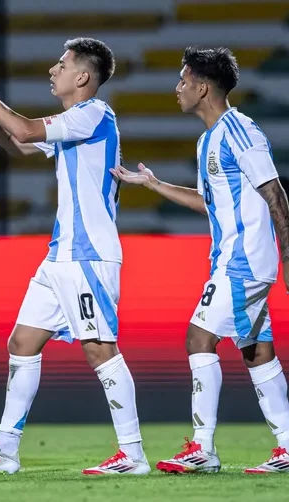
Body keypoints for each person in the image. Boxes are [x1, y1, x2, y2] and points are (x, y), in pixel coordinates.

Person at [0, 39, 149, 475]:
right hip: (61, 255)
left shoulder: (93, 114)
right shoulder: (74, 122)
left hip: (87, 256)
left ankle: (133, 455)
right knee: (22, 343)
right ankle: (5, 450)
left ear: (83, 77)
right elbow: (13, 144)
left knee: (101, 351)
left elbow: (21, 129)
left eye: (62, 64)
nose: (53, 70)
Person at [112, 46, 289, 474]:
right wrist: (154, 184)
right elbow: (206, 202)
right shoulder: (207, 140)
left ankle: (203, 448)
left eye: (183, 80)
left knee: (198, 338)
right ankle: (287, 446)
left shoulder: (240, 129)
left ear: (203, 86)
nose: (178, 88)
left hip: (244, 261)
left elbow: (276, 194)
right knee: (256, 351)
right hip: (231, 259)